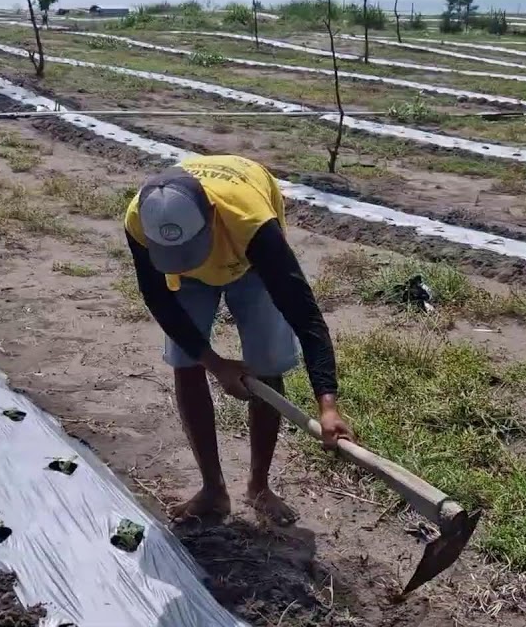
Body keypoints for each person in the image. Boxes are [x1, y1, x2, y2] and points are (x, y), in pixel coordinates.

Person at [125, 154, 354, 525]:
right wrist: (213, 363)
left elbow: (305, 314)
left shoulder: (253, 225)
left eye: (190, 252)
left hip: (246, 262)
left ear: (213, 216)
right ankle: (212, 489)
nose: (185, 262)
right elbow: (159, 300)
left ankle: (259, 486)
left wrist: (327, 404)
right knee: (186, 360)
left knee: (266, 364)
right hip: (198, 264)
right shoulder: (140, 219)